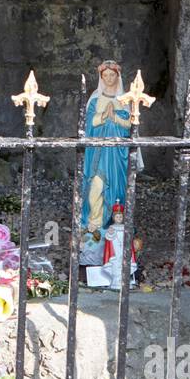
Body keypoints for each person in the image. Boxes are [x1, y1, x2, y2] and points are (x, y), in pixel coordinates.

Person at [79, 60, 141, 260]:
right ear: (101, 78)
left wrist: (114, 118)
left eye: (112, 75)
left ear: (117, 76)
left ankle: (116, 226)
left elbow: (130, 126)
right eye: (105, 75)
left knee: (117, 189)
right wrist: (103, 116)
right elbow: (88, 126)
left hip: (117, 155)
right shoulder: (94, 100)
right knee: (96, 188)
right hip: (98, 153)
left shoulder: (125, 100)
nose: (109, 78)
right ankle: (94, 225)